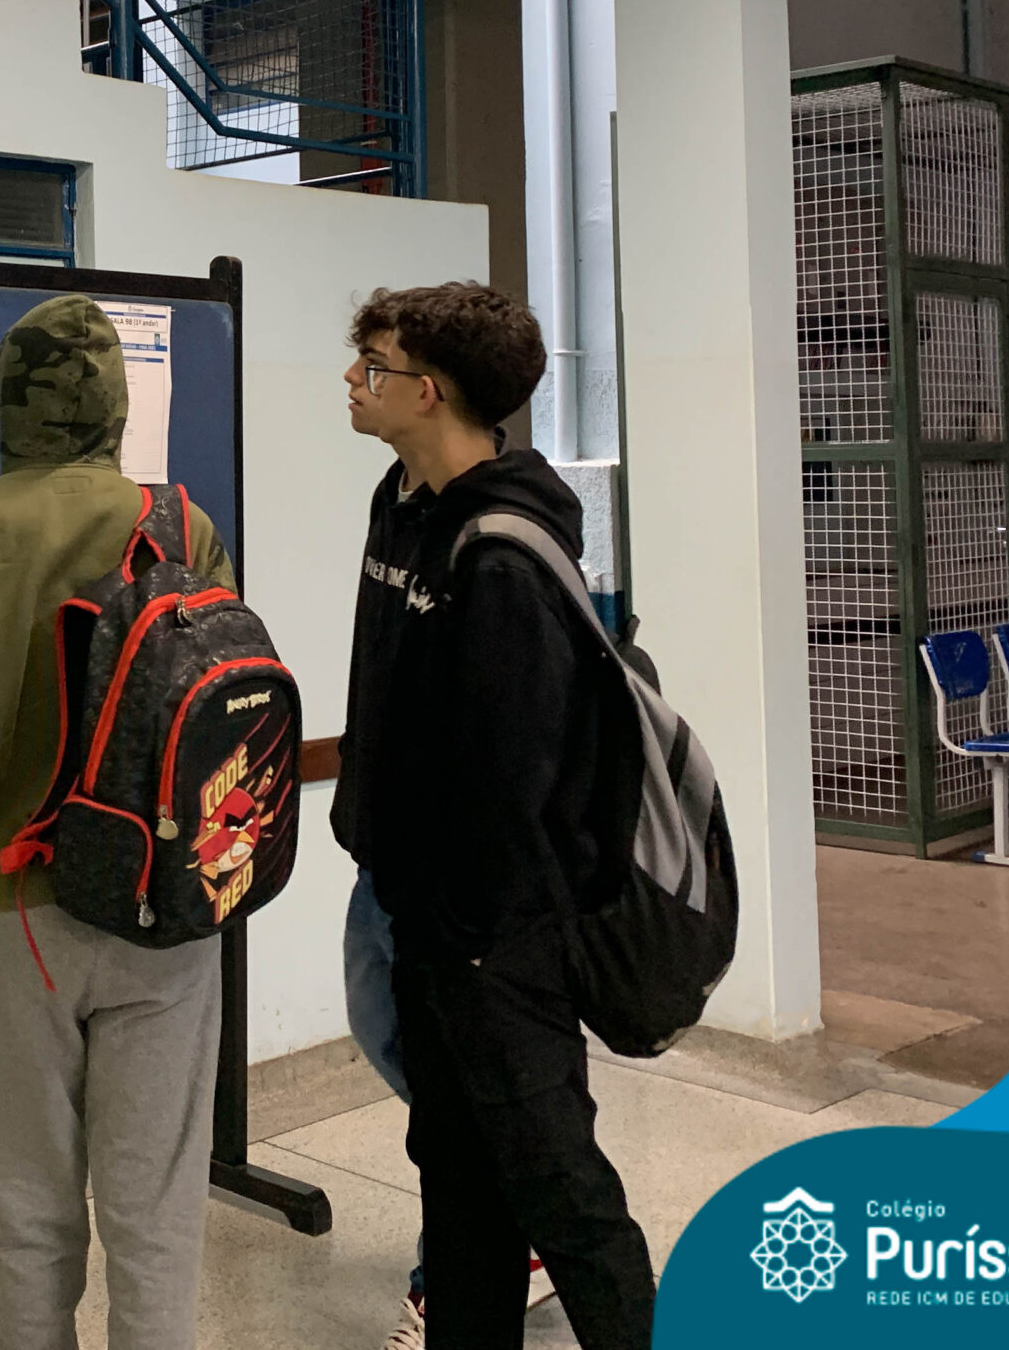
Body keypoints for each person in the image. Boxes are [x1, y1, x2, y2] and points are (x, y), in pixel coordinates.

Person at [0, 294, 237, 1350]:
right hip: (164, 911)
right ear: (118, 403)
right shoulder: (180, 524)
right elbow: (219, 716)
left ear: (8, 402)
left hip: (15, 911)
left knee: (28, 1205)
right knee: (157, 1211)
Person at [333, 282, 654, 1350]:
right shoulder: (401, 502)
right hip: (419, 913)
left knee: (561, 1191)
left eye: (373, 366)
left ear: (427, 392)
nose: (352, 381)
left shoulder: (504, 555)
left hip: (494, 939)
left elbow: (515, 780)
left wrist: (467, 935)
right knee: (459, 1186)